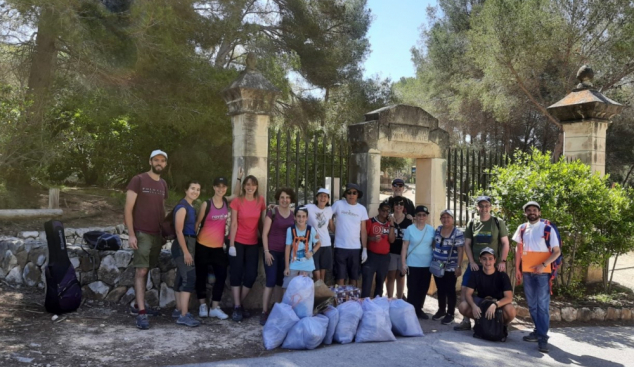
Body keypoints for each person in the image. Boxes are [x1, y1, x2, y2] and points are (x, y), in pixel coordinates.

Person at [124, 149, 169, 330]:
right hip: (141, 233)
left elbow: (162, 209)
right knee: (141, 271)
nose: (159, 163)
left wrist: (165, 231)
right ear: (150, 161)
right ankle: (142, 313)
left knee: (147, 268)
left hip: (157, 234)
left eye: (162, 161)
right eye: (156, 160)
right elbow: (128, 208)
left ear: (165, 164)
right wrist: (131, 234)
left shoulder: (163, 184)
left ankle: (138, 306)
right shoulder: (139, 180)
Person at [454, 195, 510, 331]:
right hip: (475, 265)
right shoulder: (472, 223)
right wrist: (472, 261)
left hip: (492, 265)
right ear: (477, 207)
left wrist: (502, 261)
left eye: (486, 205)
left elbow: (505, 243)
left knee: (498, 293)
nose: (484, 208)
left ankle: (500, 321)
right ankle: (466, 321)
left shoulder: (498, 222)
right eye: (481, 205)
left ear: (490, 207)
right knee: (465, 291)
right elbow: (467, 244)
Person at [512, 201, 561, 353]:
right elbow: (518, 249)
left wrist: (543, 265)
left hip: (542, 273)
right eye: (528, 210)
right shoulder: (522, 228)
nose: (532, 212)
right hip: (527, 272)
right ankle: (537, 330)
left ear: (539, 212)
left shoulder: (547, 228)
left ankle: (543, 338)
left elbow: (556, 251)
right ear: (525, 213)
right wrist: (518, 268)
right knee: (532, 304)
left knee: (543, 306)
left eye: (534, 210)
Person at [194, 174, 242, 320]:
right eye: (218, 186)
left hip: (217, 247)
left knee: (221, 276)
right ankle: (202, 305)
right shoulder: (206, 204)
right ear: (214, 187)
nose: (221, 189)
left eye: (223, 187)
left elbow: (236, 194)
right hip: (202, 245)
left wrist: (239, 179)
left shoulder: (227, 202)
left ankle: (214, 306)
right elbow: (197, 224)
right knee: (200, 276)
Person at [228, 175, 266, 322]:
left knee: (251, 275)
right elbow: (233, 224)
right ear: (244, 186)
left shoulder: (260, 200)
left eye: (253, 185)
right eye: (248, 184)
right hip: (237, 241)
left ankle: (237, 304)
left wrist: (264, 238)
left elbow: (261, 222)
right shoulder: (237, 201)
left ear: (256, 187)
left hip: (253, 243)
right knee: (236, 274)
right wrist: (231, 245)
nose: (250, 187)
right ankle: (238, 307)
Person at [260, 188, 295, 325]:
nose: (284, 200)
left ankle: (278, 310)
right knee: (270, 281)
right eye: (282, 197)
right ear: (278, 199)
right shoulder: (272, 212)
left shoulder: (293, 214)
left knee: (281, 283)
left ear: (291, 199)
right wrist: (266, 251)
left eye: (287, 197)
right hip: (272, 252)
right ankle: (264, 312)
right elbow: (264, 234)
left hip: (286, 253)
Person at [457, 247, 516, 328]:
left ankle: (502, 325)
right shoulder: (476, 274)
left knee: (511, 310)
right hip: (482, 304)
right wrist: (474, 306)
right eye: (484, 259)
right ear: (480, 260)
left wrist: (495, 305)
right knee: (462, 306)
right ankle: (480, 322)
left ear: (495, 260)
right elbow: (468, 294)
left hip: (497, 304)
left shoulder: (502, 275)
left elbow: (509, 298)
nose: (487, 262)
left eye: (490, 259)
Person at [171, 181, 202, 327]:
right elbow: (179, 231)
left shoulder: (191, 207)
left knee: (181, 277)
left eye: (198, 189)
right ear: (186, 189)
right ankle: (183, 315)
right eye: (192, 189)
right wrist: (186, 252)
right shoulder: (182, 207)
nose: (195, 192)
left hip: (189, 243)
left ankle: (178, 310)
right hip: (182, 246)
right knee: (189, 278)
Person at [431, 209, 465, 325]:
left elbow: (460, 250)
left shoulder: (458, 233)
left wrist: (459, 266)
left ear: (452, 219)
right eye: (443, 217)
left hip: (450, 266)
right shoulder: (438, 229)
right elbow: (434, 244)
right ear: (441, 219)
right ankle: (441, 310)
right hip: (437, 265)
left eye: (448, 217)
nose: (445, 219)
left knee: (450, 290)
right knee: (440, 289)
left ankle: (450, 313)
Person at [332, 183, 368, 287]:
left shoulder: (362, 209)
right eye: (349, 192)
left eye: (354, 193)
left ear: (358, 195)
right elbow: (327, 216)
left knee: (354, 278)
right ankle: (341, 301)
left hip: (355, 248)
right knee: (340, 277)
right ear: (345, 194)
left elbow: (363, 230)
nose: (351, 195)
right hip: (340, 247)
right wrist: (334, 229)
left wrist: (364, 248)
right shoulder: (338, 204)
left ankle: (352, 302)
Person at [401, 205, 435, 319]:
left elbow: (435, 245)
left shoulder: (431, 229)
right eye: (419, 215)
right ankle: (411, 309)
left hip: (427, 264)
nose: (421, 217)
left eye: (424, 215)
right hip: (412, 263)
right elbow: (404, 247)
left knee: (423, 288)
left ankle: (419, 309)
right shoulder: (409, 229)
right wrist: (403, 263)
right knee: (412, 287)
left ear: (426, 217)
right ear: (415, 216)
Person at [361, 202, 393, 298]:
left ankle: (377, 304)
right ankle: (364, 302)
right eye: (383, 210)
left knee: (380, 283)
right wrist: (372, 239)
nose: (385, 213)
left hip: (384, 257)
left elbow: (391, 240)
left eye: (387, 211)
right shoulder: (370, 221)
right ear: (379, 210)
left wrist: (392, 225)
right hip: (371, 256)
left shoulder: (388, 224)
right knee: (367, 282)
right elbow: (363, 236)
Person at [284, 206, 321, 282]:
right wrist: (287, 267)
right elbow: (287, 248)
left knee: (305, 289)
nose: (301, 219)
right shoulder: (290, 230)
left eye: (303, 216)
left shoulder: (311, 230)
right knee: (288, 287)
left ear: (307, 218)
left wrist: (312, 252)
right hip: (293, 265)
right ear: (294, 217)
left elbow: (318, 243)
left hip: (307, 265)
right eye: (299, 216)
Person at [306, 188, 335, 282]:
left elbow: (331, 226)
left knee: (322, 275)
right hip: (313, 245)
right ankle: (315, 294)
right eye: (321, 196)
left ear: (328, 199)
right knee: (316, 273)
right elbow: (294, 210)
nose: (323, 198)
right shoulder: (309, 208)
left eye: (325, 196)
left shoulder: (329, 209)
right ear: (317, 197)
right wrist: (277, 206)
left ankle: (321, 295)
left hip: (326, 244)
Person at [386, 196, 411, 299]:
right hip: (391, 251)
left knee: (401, 276)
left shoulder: (409, 221)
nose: (399, 206)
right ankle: (390, 298)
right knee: (391, 276)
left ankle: (399, 299)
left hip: (403, 253)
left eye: (401, 204)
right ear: (393, 206)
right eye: (396, 204)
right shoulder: (388, 219)